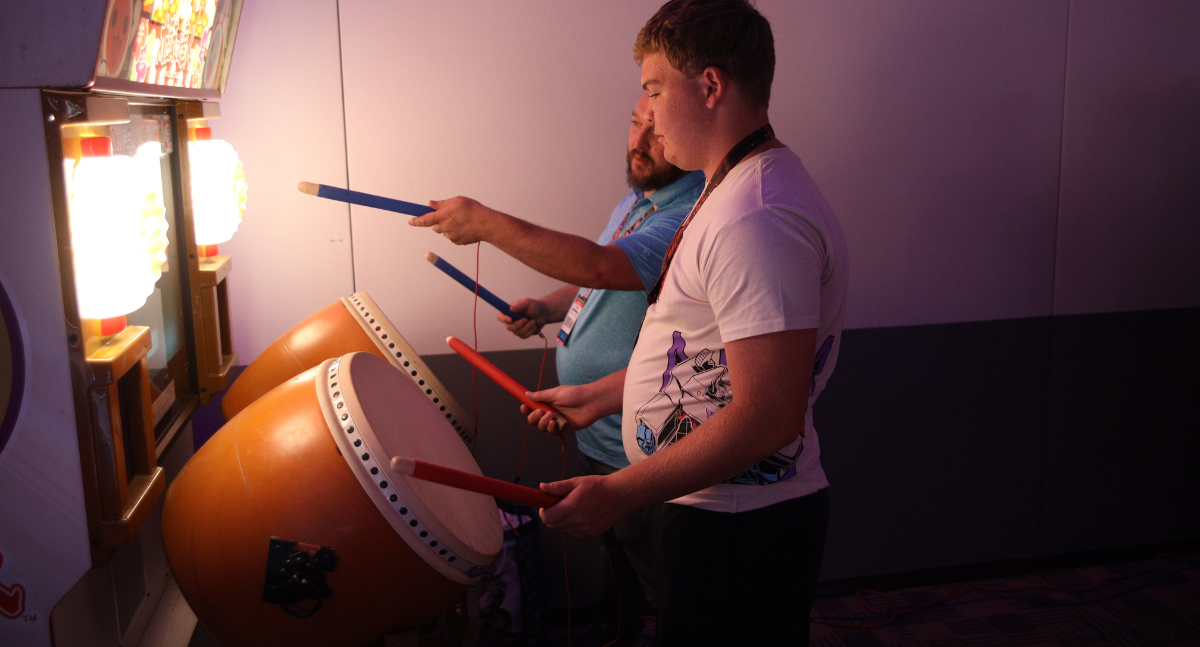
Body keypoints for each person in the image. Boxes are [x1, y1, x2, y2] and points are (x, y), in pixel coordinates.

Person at [523, 0, 850, 643]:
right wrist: (598, 396)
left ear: (709, 86)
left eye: (654, 88)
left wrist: (620, 491)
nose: (646, 112)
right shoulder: (729, 189)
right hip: (717, 510)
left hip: (738, 524)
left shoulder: (758, 218)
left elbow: (767, 414)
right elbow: (709, 357)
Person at [409, 93, 704, 643]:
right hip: (598, 434)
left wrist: (486, 223)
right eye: (635, 123)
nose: (638, 143)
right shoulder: (640, 198)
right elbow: (606, 275)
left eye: (656, 132)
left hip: (646, 448)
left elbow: (598, 262)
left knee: (669, 590)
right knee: (622, 572)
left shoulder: (694, 214)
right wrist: (547, 307)